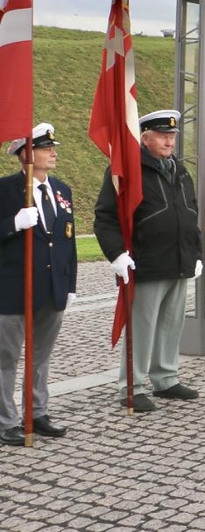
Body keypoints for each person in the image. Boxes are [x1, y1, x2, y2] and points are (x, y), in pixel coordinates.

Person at [95, 110, 204, 411]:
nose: (170, 141)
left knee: (171, 323)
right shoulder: (128, 170)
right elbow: (105, 217)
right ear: (144, 138)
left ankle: (166, 377)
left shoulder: (180, 171)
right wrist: (116, 254)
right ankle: (131, 385)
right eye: (163, 135)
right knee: (142, 327)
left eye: (172, 136)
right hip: (147, 261)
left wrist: (196, 253)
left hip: (179, 260)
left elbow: (190, 213)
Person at [0, 124, 76, 443]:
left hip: (51, 288)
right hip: (13, 287)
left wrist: (69, 283)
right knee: (7, 358)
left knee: (41, 356)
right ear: (25, 154)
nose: (53, 152)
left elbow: (66, 241)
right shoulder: (5, 190)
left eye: (52, 147)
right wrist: (14, 223)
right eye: (46, 148)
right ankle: (6, 422)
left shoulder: (61, 189)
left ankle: (37, 411)